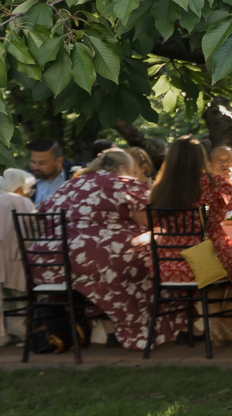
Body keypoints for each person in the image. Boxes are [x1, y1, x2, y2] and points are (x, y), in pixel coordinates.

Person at [42, 149, 157, 348]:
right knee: (147, 258)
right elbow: (147, 220)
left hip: (51, 261)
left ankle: (110, 332)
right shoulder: (124, 183)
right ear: (122, 168)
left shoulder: (69, 185)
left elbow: (44, 215)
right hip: (96, 259)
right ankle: (136, 329)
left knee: (103, 270)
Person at [151, 138, 232, 293]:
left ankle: (215, 316)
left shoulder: (161, 188)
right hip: (204, 258)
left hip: (166, 263)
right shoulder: (212, 182)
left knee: (227, 270)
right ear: (201, 158)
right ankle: (224, 316)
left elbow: (151, 222)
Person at [0, 168, 38, 321]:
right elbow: (35, 231)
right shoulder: (22, 201)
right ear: (20, 187)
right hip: (17, 259)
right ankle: (27, 331)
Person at [28, 138, 71, 207]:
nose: (35, 167)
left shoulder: (74, 175)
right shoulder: (25, 179)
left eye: (42, 163)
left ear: (59, 161)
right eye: (33, 162)